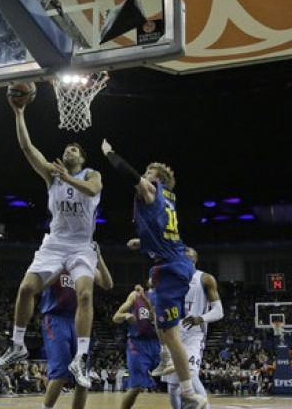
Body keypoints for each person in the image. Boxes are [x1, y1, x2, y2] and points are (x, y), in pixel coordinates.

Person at [0, 97, 103, 390]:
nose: (70, 149)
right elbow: (27, 148)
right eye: (68, 147)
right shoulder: (51, 176)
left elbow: (92, 191)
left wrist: (68, 177)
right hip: (54, 243)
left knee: (85, 296)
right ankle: (17, 344)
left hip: (81, 244)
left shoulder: (90, 174)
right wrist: (19, 113)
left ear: (81, 158)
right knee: (27, 288)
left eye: (75, 149)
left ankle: (80, 356)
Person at [101, 139, 207, 409]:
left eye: (149, 172)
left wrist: (110, 153)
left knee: (170, 334)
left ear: (157, 178)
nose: (145, 175)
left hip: (169, 268)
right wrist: (143, 243)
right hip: (172, 261)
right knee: (164, 328)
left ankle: (189, 394)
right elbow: (163, 233)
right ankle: (166, 358)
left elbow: (129, 174)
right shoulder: (168, 200)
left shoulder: (152, 189)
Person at [39, 242, 113, 409]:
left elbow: (108, 284)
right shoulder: (56, 261)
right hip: (56, 319)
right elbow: (40, 284)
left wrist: (98, 258)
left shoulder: (84, 267)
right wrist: (60, 266)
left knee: (83, 378)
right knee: (60, 373)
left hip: (80, 321)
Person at [160, 246, 223, 409]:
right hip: (174, 335)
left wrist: (200, 318)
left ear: (194, 259)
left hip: (194, 335)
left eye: (186, 256)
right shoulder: (171, 279)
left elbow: (219, 311)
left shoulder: (205, 278)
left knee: (191, 374)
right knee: (173, 386)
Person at [112, 282, 159, 409]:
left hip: (160, 343)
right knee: (136, 387)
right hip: (138, 344)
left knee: (177, 381)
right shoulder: (135, 295)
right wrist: (126, 315)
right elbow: (116, 317)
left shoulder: (165, 296)